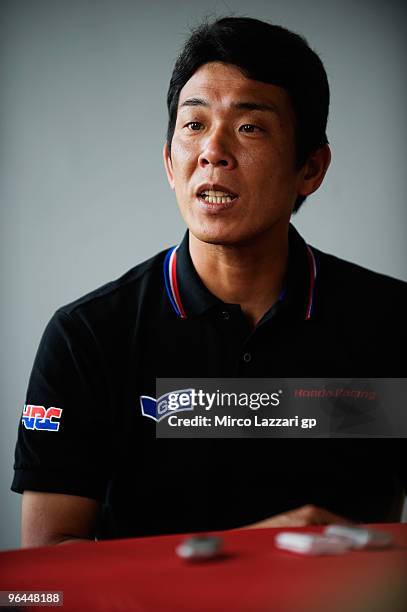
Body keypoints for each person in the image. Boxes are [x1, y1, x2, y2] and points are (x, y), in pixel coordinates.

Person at [12, 16, 406, 547]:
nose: (212, 151)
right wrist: (246, 554)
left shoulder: (390, 323)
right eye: (194, 124)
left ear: (310, 168)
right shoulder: (86, 337)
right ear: (171, 163)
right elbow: (41, 582)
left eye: (249, 127)